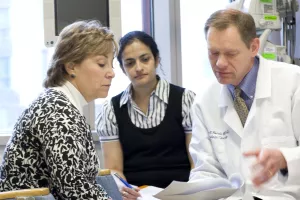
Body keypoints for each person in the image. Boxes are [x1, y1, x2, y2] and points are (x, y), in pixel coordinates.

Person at [189, 8, 300, 199]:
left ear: (254, 47)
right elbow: (205, 170)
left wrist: (285, 158)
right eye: (213, 53)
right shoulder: (204, 101)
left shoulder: (293, 82)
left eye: (230, 54)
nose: (219, 64)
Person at [0, 20, 116, 200]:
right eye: (102, 64)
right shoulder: (57, 111)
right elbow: (76, 192)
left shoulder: (60, 104)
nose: (111, 73)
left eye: (111, 64)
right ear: (71, 66)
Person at [97, 31, 196, 199]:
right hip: (137, 196)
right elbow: (114, 168)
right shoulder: (110, 109)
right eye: (130, 63)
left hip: (181, 195)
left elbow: (196, 163)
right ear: (122, 69)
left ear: (156, 60)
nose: (138, 68)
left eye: (145, 59)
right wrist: (124, 191)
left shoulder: (186, 100)